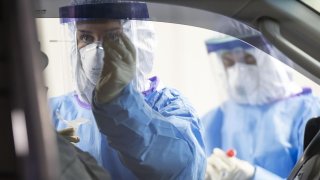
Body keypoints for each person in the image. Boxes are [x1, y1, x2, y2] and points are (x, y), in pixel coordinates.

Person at [49, 1, 206, 180]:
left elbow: (177, 166)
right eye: (86, 38)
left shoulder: (170, 107)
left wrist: (121, 104)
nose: (98, 51)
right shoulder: (55, 111)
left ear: (138, 41)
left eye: (113, 37)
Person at [203, 35, 320, 180]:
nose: (239, 71)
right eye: (229, 61)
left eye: (249, 59)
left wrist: (253, 176)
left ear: (274, 59)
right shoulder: (214, 119)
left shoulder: (308, 112)